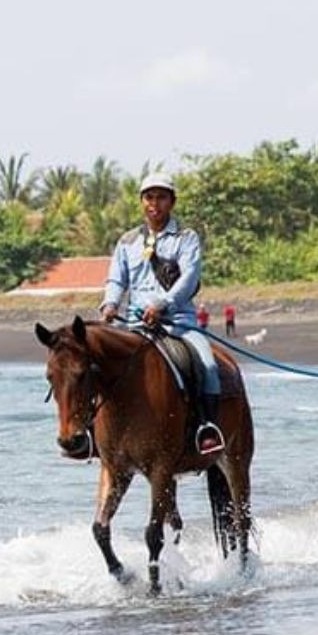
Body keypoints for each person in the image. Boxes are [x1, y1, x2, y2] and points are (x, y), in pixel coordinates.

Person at [99, 172, 225, 454]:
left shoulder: (186, 238)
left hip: (178, 323)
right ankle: (95, 434)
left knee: (209, 366)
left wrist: (162, 304)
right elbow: (117, 279)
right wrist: (110, 304)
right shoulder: (127, 241)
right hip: (134, 324)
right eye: (149, 197)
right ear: (141, 202)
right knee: (97, 365)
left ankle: (207, 428)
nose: (154, 203)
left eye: (161, 197)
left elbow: (189, 278)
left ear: (172, 202)